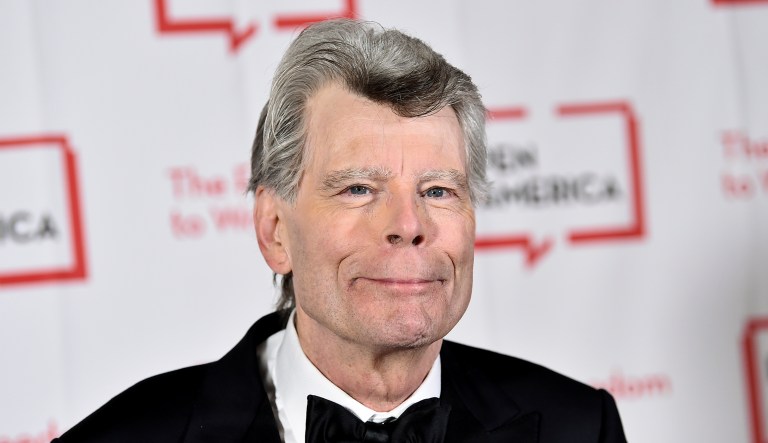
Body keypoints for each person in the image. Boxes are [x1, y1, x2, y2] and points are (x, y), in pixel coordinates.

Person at [55, 19, 627, 443]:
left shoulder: (577, 425)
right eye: (358, 189)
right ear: (274, 230)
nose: (408, 226)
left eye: (438, 191)